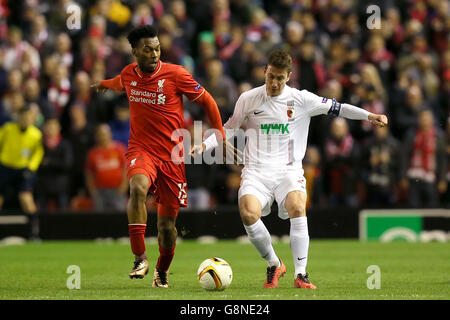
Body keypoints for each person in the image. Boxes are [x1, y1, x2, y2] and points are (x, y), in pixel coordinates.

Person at [192, 50, 388, 289]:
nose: (274, 83)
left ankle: (301, 274)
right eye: (271, 76)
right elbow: (229, 128)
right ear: (265, 71)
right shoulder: (248, 98)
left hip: (288, 171)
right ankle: (274, 263)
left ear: (289, 77)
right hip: (256, 171)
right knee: (248, 213)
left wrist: (370, 116)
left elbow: (339, 108)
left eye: (280, 78)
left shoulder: (302, 99)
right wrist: (205, 144)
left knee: (297, 206)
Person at [91, 25, 232, 288]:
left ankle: (162, 270)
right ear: (135, 51)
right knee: (137, 187)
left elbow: (208, 101)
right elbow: (121, 83)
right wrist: (104, 84)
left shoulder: (176, 74)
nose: (155, 53)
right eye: (148, 49)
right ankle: (139, 256)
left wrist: (219, 134)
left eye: (157, 48)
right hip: (141, 150)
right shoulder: (129, 73)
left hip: (172, 158)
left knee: (167, 228)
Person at [0, 105, 44, 238]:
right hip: (5, 166)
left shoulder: (36, 134)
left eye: (28, 117)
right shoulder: (8, 129)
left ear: (32, 119)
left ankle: (34, 231)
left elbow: (38, 153)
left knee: (25, 198)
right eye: (23, 117)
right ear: (18, 117)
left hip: (23, 169)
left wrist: (31, 168)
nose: (25, 120)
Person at [85, 124, 128, 211]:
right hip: (100, 192)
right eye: (100, 134)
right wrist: (93, 192)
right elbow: (89, 174)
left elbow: (126, 169)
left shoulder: (119, 149)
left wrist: (123, 188)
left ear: (110, 134)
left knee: (119, 217)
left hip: (117, 191)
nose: (103, 137)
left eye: (105, 134)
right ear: (97, 136)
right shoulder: (92, 153)